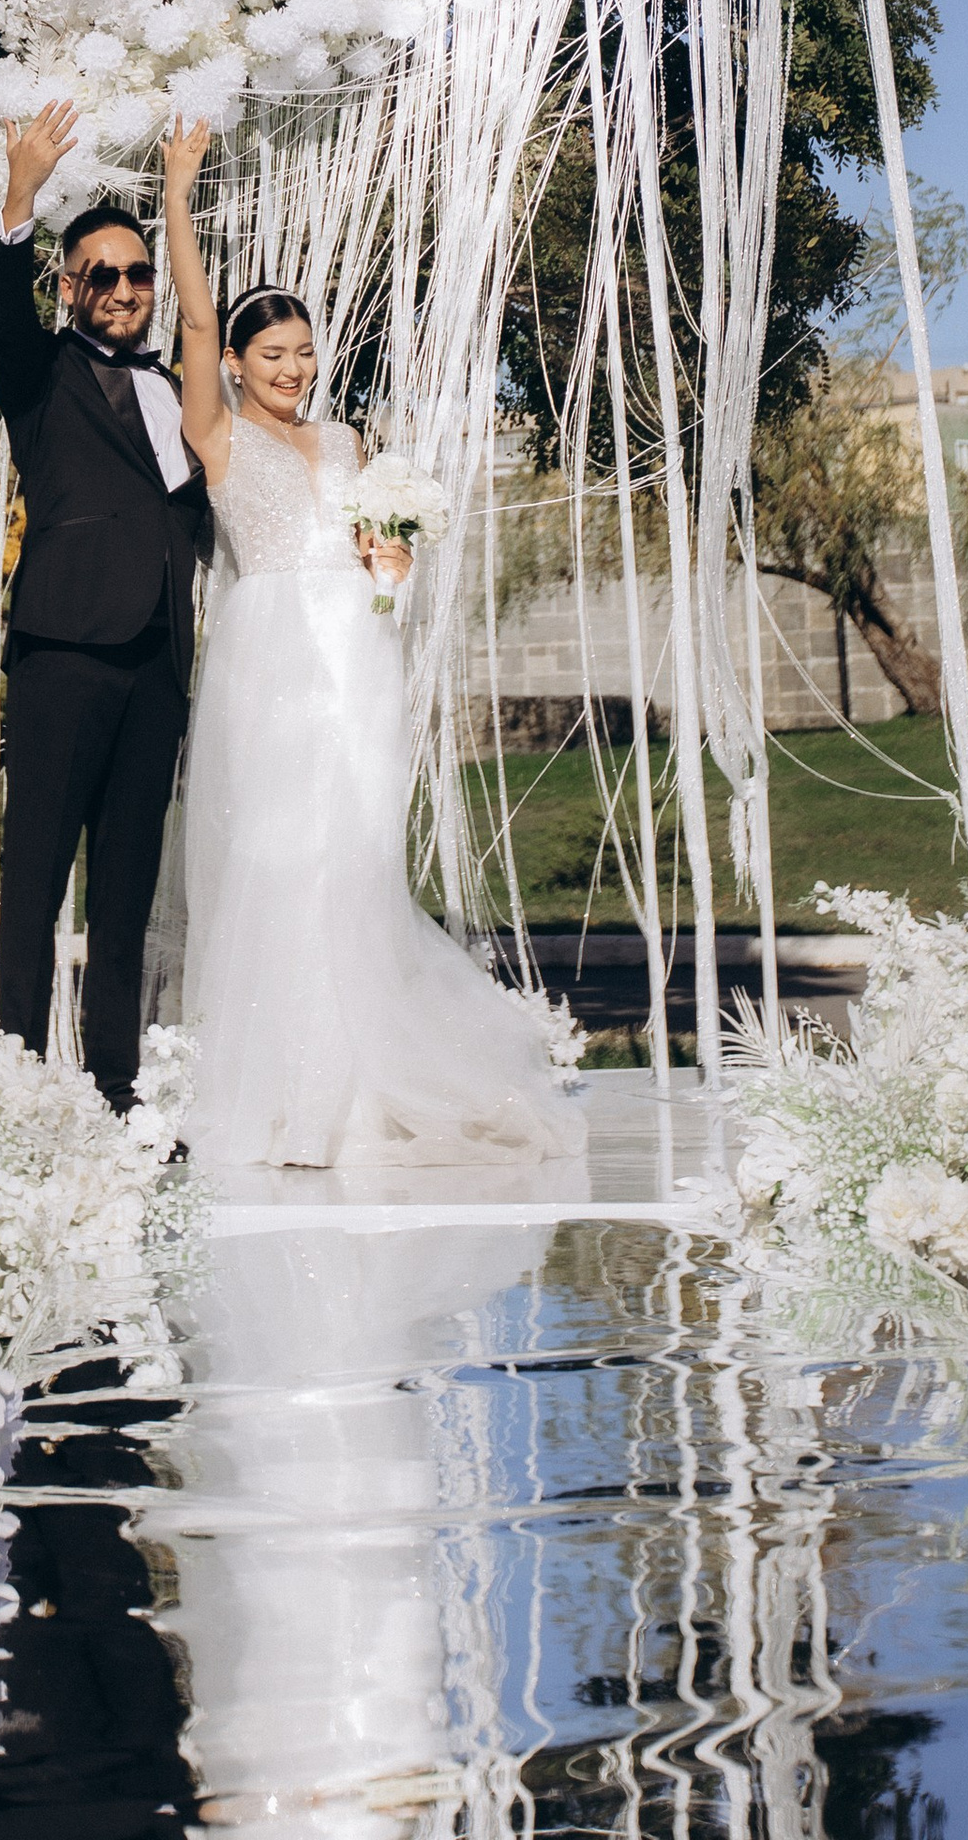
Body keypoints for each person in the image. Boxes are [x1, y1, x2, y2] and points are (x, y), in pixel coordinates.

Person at [159, 119, 580, 1172]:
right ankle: (282, 1091)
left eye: (304, 351)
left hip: (355, 654)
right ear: (237, 366)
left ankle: (352, 1083)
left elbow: (376, 558)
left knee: (351, 858)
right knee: (277, 855)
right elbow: (197, 317)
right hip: (269, 659)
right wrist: (177, 193)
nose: (293, 368)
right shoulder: (216, 432)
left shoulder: (348, 440)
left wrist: (390, 569)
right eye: (273, 354)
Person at [0, 101, 212, 1111]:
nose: (123, 289)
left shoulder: (178, 389)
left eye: (137, 274)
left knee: (125, 889)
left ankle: (114, 1083)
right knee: (35, 877)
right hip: (63, 654)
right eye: (101, 275)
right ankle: (16, 1078)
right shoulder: (40, 376)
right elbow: (2, 311)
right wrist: (20, 195)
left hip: (157, 665)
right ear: (70, 287)